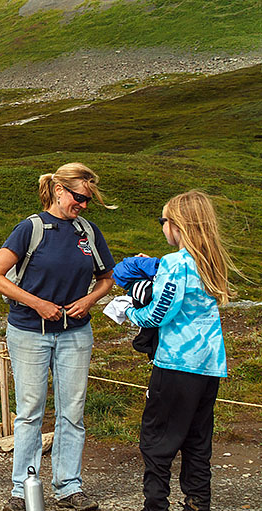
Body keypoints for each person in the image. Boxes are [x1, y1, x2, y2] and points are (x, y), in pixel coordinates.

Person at [0, 162, 116, 511]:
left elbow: (107, 277)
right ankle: (22, 489)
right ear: (59, 191)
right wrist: (37, 303)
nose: (83, 206)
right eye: (79, 197)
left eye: (87, 200)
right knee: (29, 412)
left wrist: (89, 300)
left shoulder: (88, 232)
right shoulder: (30, 229)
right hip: (29, 332)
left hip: (76, 333)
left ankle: (68, 487)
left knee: (72, 412)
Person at [123, 190, 236, 511]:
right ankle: (198, 503)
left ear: (179, 225)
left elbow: (160, 313)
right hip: (209, 365)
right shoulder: (211, 261)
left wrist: (127, 311)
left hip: (175, 364)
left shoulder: (176, 263)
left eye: (164, 220)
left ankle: (155, 504)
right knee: (197, 441)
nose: (162, 226)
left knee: (157, 440)